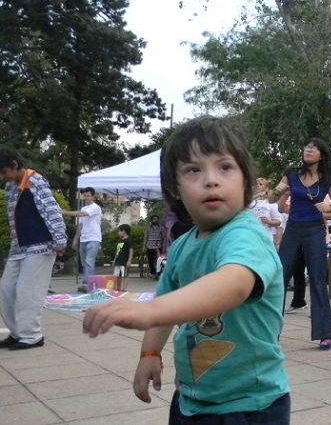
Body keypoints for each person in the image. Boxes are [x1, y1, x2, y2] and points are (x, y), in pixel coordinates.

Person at [82, 116, 290, 424]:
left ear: (246, 180)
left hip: (249, 403)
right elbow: (167, 300)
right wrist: (149, 354)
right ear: (175, 189)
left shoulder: (246, 234)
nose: (211, 180)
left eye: (225, 167)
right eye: (193, 170)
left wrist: (148, 312)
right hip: (192, 396)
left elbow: (234, 284)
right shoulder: (181, 246)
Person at [271, 138, 331, 350]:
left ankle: (324, 333)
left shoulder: (327, 181)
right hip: (293, 229)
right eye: (306, 147)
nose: (308, 150)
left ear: (321, 155)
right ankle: (270, 332)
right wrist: (279, 190)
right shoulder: (291, 174)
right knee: (279, 278)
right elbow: (273, 202)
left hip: (314, 230)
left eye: (313, 148)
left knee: (318, 279)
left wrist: (329, 210)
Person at [0, 148, 67, 350]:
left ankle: (32, 336)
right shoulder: (11, 186)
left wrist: (60, 241)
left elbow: (52, 212)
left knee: (27, 292)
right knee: (6, 289)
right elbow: (13, 218)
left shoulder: (36, 181)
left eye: (4, 171)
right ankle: (17, 332)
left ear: (14, 165)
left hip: (41, 245)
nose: (2, 176)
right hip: (19, 247)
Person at [62, 187, 102, 292]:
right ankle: (88, 282)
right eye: (84, 196)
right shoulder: (83, 208)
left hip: (94, 238)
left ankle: (87, 284)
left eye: (88, 196)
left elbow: (82, 214)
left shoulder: (96, 207)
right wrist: (76, 239)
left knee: (89, 261)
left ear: (93, 196)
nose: (86, 198)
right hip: (84, 239)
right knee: (84, 263)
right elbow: (80, 225)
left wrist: (65, 212)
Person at [248, 177, 283, 244]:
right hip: (251, 236)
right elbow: (243, 206)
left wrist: (269, 222)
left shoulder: (271, 203)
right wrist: (257, 195)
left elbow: (278, 222)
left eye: (260, 184)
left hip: (266, 237)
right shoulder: (250, 201)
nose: (257, 186)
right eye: (256, 184)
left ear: (266, 188)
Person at [113, 224, 134, 292]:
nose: (118, 233)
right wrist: (114, 260)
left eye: (119, 231)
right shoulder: (120, 240)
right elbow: (117, 251)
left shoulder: (129, 240)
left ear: (124, 231)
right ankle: (118, 288)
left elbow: (131, 250)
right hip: (118, 261)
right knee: (117, 275)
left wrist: (129, 260)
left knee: (125, 275)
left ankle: (124, 289)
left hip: (125, 261)